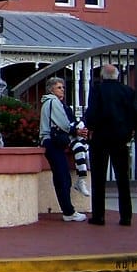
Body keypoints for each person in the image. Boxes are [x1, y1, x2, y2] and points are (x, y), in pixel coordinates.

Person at [84, 63, 137, 226]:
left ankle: (99, 216)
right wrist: (129, 131)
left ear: (102, 76)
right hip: (120, 138)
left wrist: (91, 127)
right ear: (117, 75)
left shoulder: (98, 90)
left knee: (99, 178)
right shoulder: (128, 91)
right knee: (123, 178)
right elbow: (136, 114)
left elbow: (92, 113)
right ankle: (126, 216)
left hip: (101, 138)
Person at [39, 76, 88, 221]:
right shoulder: (53, 102)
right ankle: (68, 212)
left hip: (50, 142)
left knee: (62, 176)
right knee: (62, 178)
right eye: (59, 87)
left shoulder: (48, 102)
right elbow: (64, 123)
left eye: (63, 87)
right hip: (52, 142)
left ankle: (68, 210)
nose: (62, 90)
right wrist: (76, 131)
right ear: (51, 89)